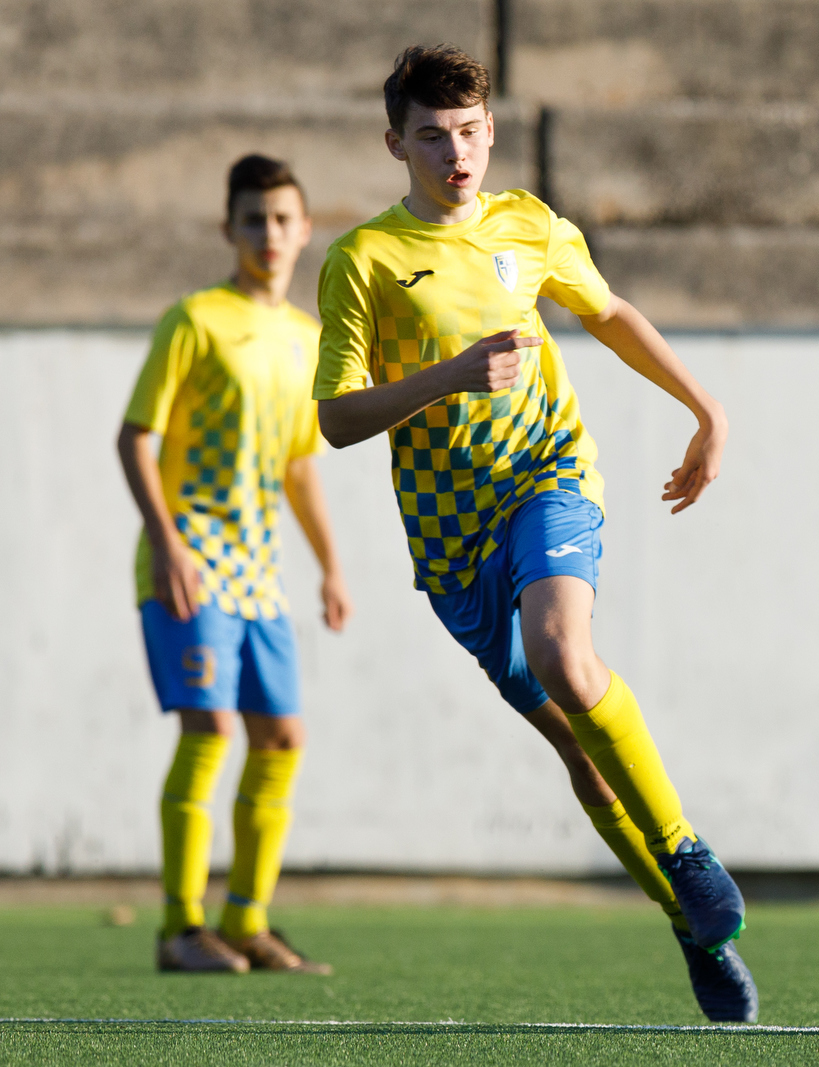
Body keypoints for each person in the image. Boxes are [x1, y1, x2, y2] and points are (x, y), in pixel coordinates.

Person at [311, 45, 756, 1022]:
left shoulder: (530, 225)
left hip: (548, 479)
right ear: (397, 143)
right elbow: (336, 419)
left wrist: (705, 409)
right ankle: (689, 922)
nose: (455, 151)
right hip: (450, 541)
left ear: (490, 130)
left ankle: (685, 847)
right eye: (432, 134)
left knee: (566, 653)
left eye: (469, 131)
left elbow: (609, 311)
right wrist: (451, 375)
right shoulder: (364, 260)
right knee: (582, 754)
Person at [119, 155, 351, 974]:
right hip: (189, 560)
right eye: (254, 220)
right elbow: (135, 437)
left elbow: (297, 464)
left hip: (259, 572)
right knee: (211, 727)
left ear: (305, 229)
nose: (270, 235)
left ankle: (247, 919)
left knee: (281, 735)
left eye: (284, 219)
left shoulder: (307, 337)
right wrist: (169, 541)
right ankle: (181, 927)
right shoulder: (194, 319)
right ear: (229, 229)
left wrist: (329, 565)